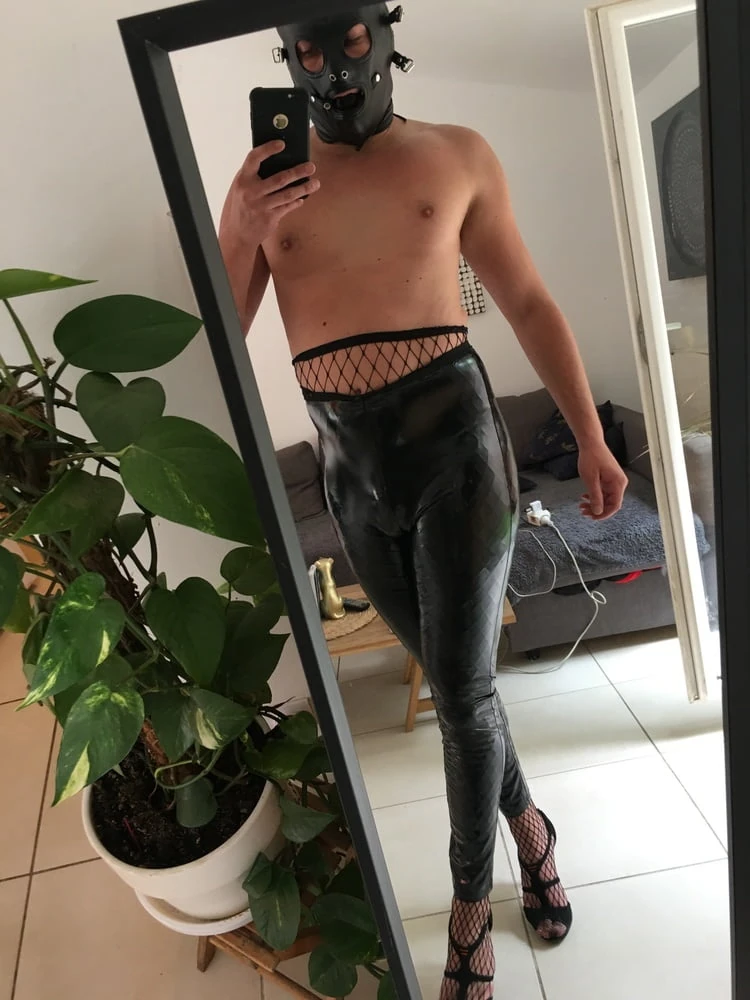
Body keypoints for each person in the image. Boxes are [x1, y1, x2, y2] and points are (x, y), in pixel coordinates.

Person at [220, 6, 628, 998]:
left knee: (464, 696)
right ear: (286, 61)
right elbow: (221, 339)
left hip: (458, 447)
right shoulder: (262, 181)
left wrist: (589, 432)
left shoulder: (458, 154)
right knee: (461, 687)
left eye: (352, 45)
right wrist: (241, 227)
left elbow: (527, 300)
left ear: (384, 32)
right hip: (349, 467)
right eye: (307, 55)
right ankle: (532, 830)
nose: (333, 71)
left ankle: (469, 916)